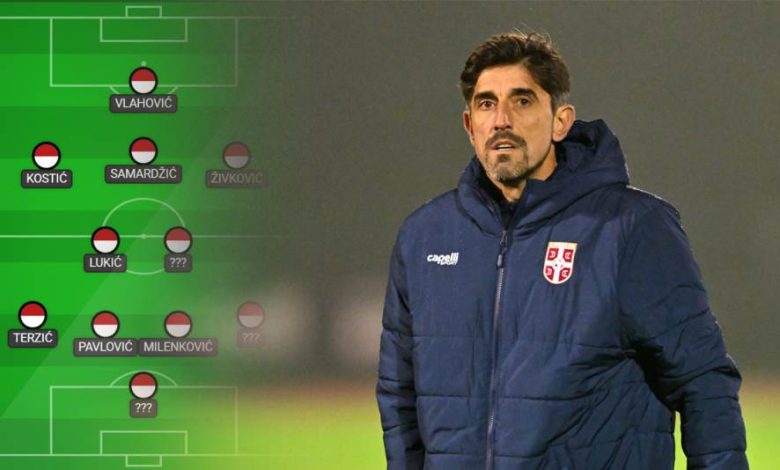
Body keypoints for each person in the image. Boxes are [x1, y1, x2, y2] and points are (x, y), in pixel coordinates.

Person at [376, 32, 747, 469]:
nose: (501, 121)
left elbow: (703, 381)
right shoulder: (425, 238)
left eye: (522, 101)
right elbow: (400, 397)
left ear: (560, 121)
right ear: (469, 125)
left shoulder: (629, 229)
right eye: (486, 104)